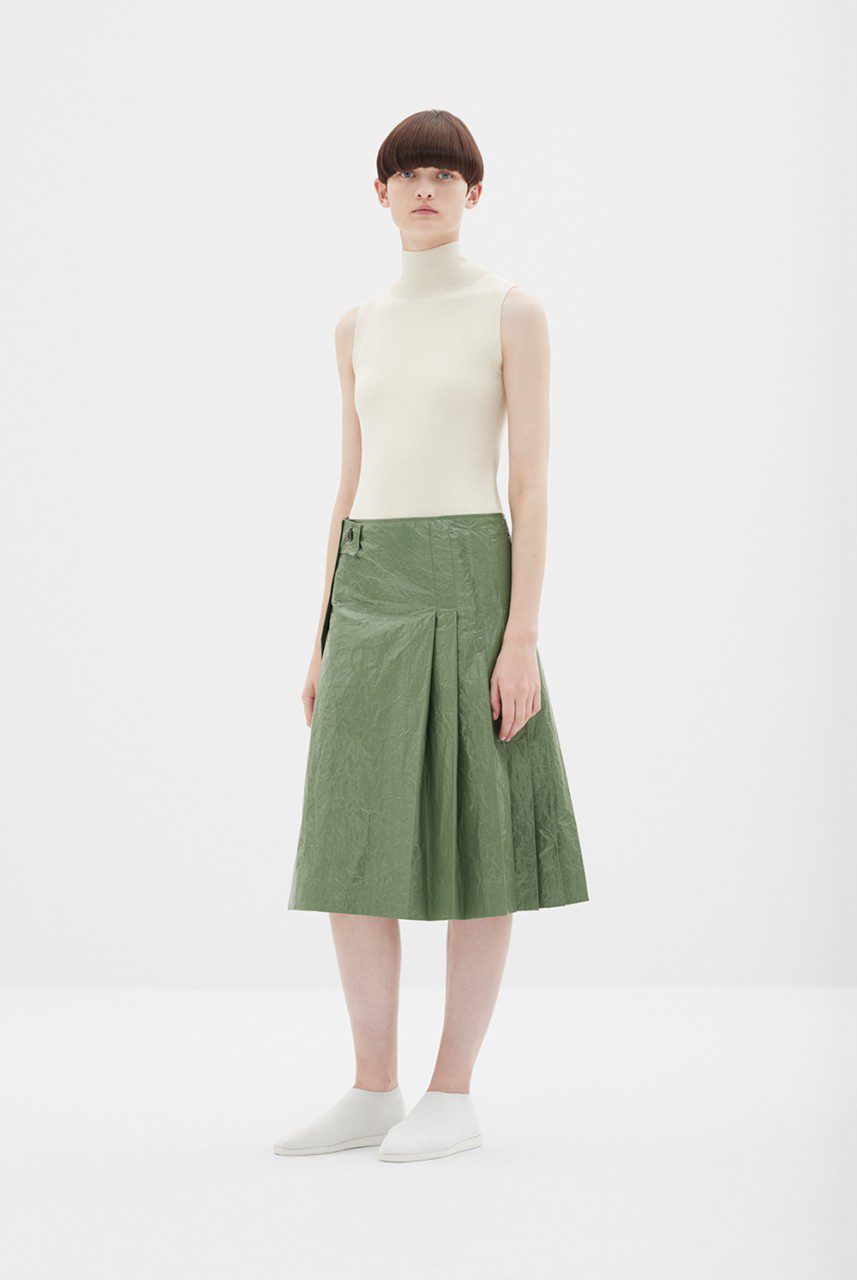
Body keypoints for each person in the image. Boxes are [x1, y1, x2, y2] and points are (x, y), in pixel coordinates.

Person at [276, 109, 589, 1163]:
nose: (424, 189)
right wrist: (321, 633)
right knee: (351, 834)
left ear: (472, 193)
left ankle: (452, 1090)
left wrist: (520, 636)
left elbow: (530, 483)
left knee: (476, 830)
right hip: (368, 580)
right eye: (406, 174)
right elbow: (347, 481)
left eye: (443, 175)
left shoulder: (511, 310)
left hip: (468, 575)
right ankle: (373, 1086)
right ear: (379, 193)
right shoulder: (354, 326)